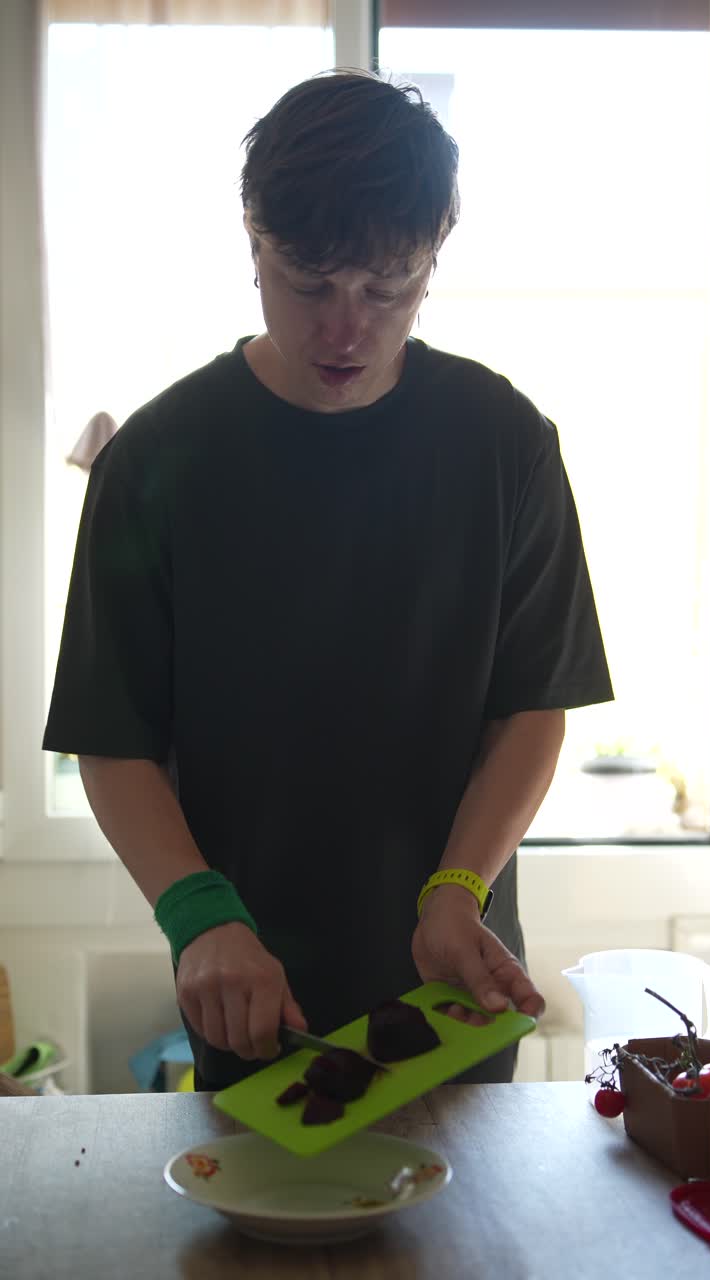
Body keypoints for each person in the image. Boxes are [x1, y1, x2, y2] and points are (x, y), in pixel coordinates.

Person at [43, 69, 613, 1092]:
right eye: (309, 282)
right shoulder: (158, 462)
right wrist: (197, 913)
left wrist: (458, 885)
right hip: (251, 988)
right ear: (252, 241)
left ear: (436, 252)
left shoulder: (504, 443)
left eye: (387, 286)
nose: (346, 327)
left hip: (455, 979)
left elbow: (533, 707)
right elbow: (112, 737)